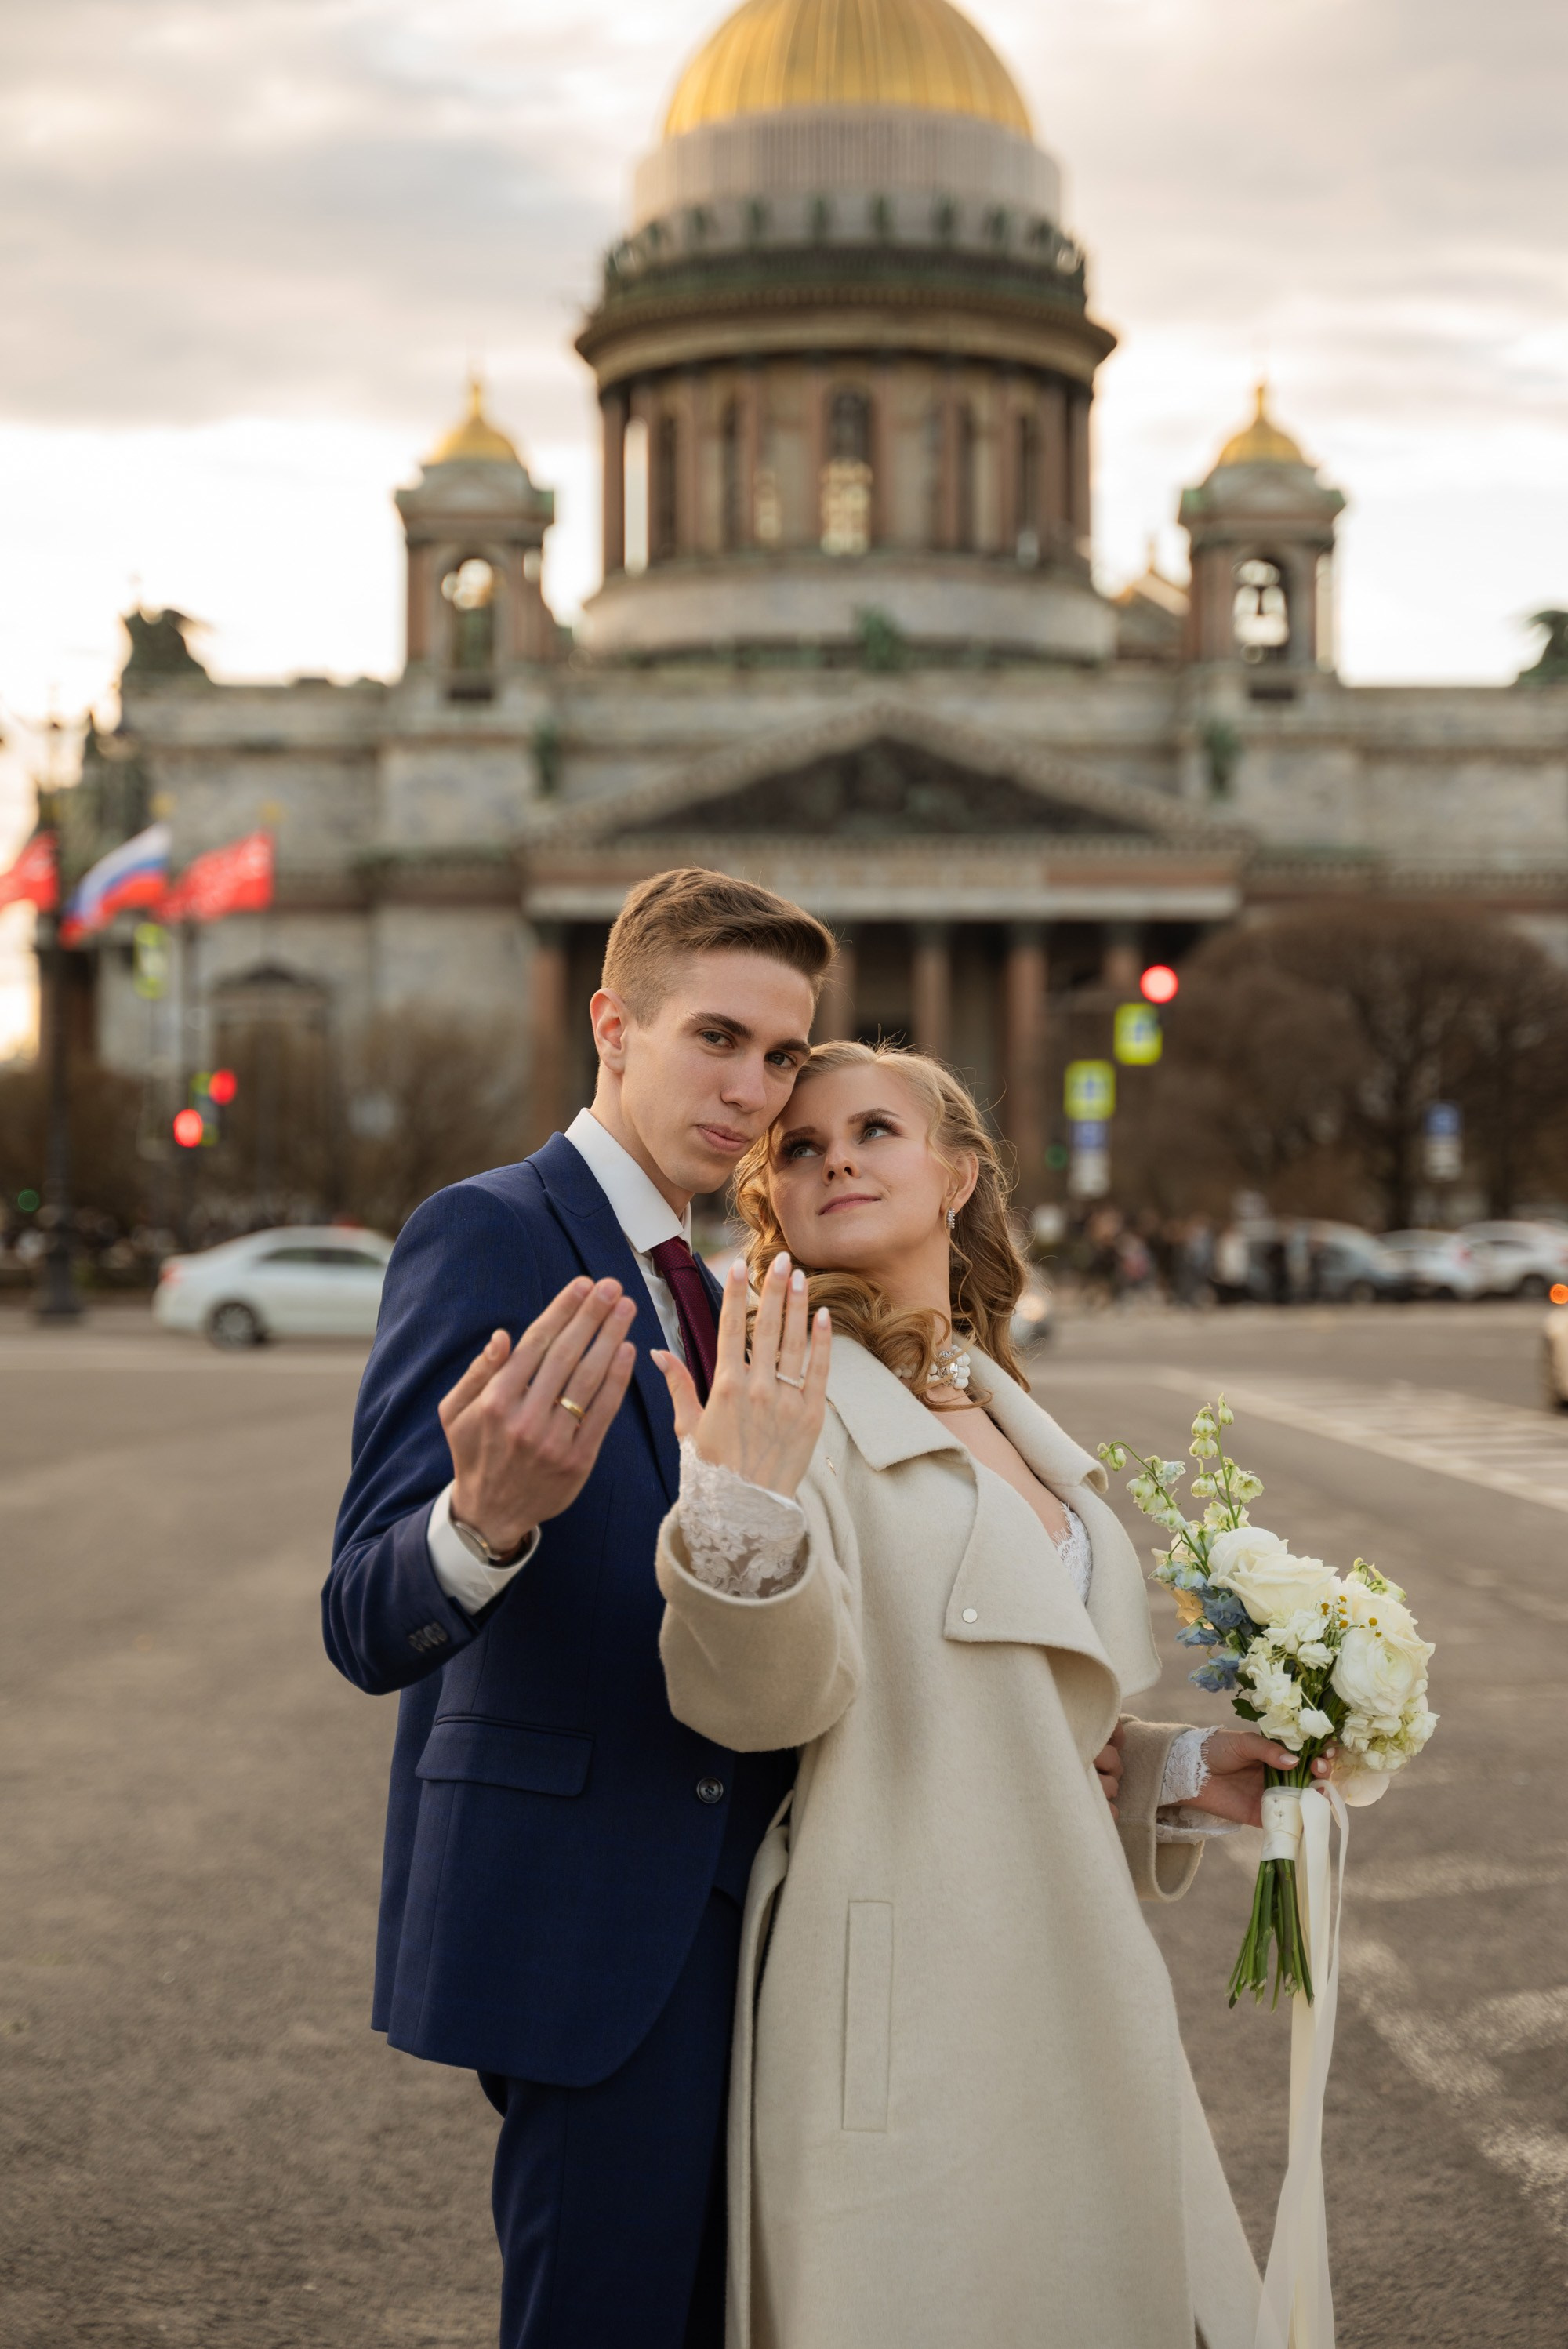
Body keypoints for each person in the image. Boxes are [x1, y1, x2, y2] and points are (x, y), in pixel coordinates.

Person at [651, 1041, 1338, 2349]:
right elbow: (760, 1705)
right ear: (773, 1199)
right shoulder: (785, 1396)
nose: (834, 1156)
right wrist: (734, 1507)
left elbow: (1007, 1704)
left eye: (872, 1131)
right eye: (798, 1148)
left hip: (1067, 1979)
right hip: (903, 1996)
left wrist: (1178, 1770)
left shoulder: (999, 1400)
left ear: (960, 1177)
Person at [321, 868, 836, 2349]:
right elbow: (363, 1614)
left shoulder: (711, 1280)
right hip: (592, 1916)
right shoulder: (489, 1233)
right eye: (717, 1040)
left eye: (783, 1055)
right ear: (614, 1027)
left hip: (737, 1904)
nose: (755, 1092)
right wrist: (483, 1522)